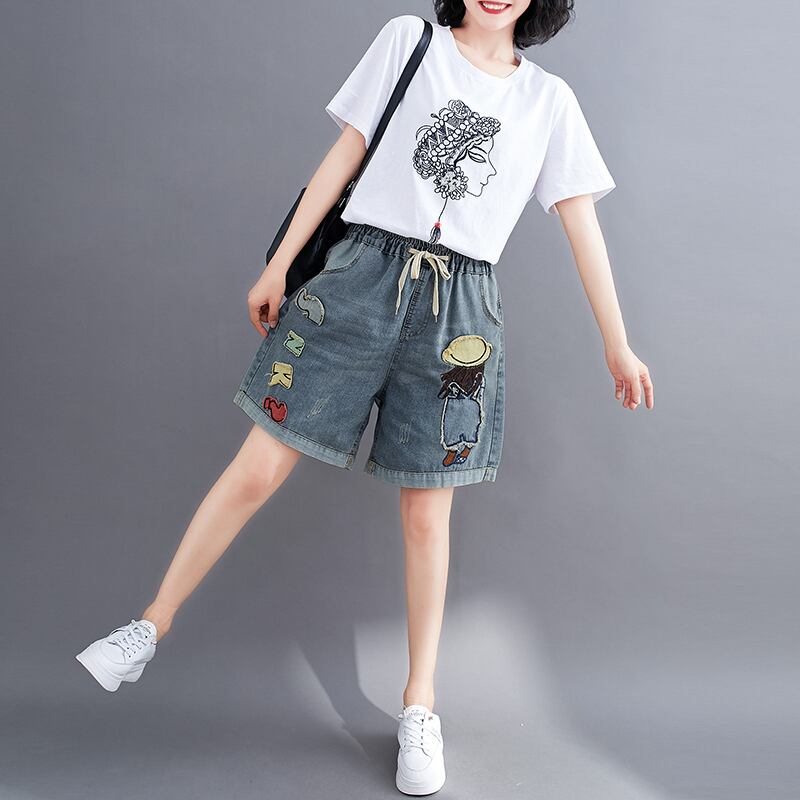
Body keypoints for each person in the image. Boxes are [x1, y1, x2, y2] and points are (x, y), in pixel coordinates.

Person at [75, 1, 654, 795]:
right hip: (358, 282)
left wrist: (616, 341)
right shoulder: (410, 40)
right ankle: (149, 625)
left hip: (458, 312)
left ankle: (419, 706)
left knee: (427, 517)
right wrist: (280, 263)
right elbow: (346, 152)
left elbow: (581, 222)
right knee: (256, 470)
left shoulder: (548, 101)